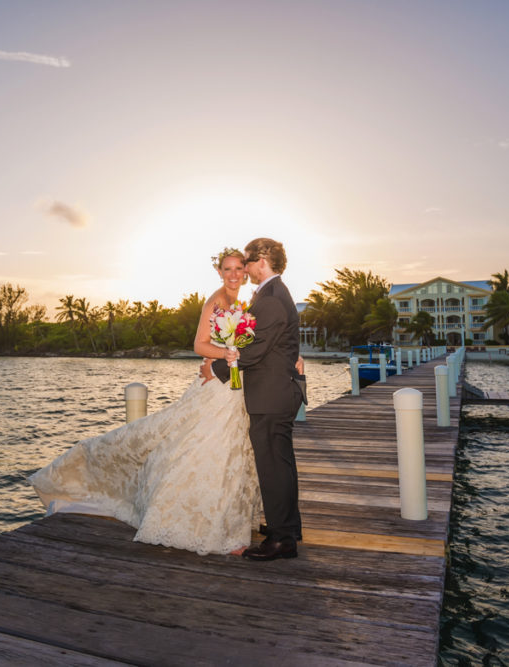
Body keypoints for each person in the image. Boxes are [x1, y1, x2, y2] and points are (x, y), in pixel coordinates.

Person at [28, 248, 261, 556]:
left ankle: (226, 520)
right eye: (227, 269)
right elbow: (199, 344)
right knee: (200, 446)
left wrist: (235, 354)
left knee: (231, 451)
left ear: (245, 271)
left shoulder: (240, 302)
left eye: (238, 268)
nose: (233, 274)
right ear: (219, 272)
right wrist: (225, 354)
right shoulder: (215, 300)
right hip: (215, 386)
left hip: (232, 386)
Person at [204, 237, 306, 561]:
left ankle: (281, 540)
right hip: (276, 391)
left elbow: (255, 350)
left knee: (274, 466)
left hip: (272, 395)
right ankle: (286, 526)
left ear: (262, 260)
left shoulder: (273, 298)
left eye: (247, 261)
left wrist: (216, 367)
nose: (244, 268)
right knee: (281, 464)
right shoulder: (273, 294)